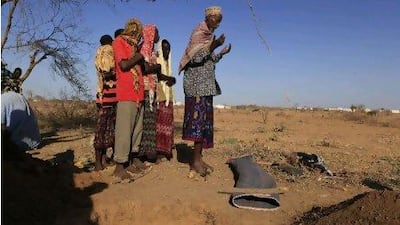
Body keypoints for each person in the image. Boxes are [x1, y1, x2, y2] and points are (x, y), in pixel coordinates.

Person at [178, 6, 231, 177]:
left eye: (220, 18)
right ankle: (194, 162)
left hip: (206, 86)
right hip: (196, 86)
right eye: (215, 17)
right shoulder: (199, 33)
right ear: (208, 18)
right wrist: (214, 44)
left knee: (204, 125)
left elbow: (209, 60)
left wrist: (221, 53)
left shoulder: (209, 37)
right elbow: (196, 58)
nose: (218, 21)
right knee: (198, 124)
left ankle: (198, 159)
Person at [112, 18, 156, 181]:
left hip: (138, 94)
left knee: (136, 131)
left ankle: (129, 162)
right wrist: (138, 57)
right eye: (136, 31)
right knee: (124, 131)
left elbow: (142, 69)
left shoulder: (134, 47)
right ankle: (119, 166)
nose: (136, 34)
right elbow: (123, 66)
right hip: (126, 94)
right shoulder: (119, 42)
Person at [1, 67, 41, 154]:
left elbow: (2, 130)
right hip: (34, 143)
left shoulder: (2, 100)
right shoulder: (20, 97)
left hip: (18, 145)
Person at [93, 34, 117, 171]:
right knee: (103, 129)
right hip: (107, 96)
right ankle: (98, 162)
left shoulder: (99, 53)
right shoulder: (107, 50)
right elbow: (107, 73)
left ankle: (102, 160)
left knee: (105, 129)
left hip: (105, 96)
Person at [156, 39, 176, 160]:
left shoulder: (168, 62)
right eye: (164, 48)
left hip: (169, 97)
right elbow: (158, 75)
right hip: (160, 96)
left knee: (168, 125)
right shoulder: (157, 60)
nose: (166, 51)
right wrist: (171, 79)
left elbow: (169, 78)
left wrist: (172, 79)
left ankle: (167, 149)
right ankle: (159, 151)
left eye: (168, 49)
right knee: (159, 126)